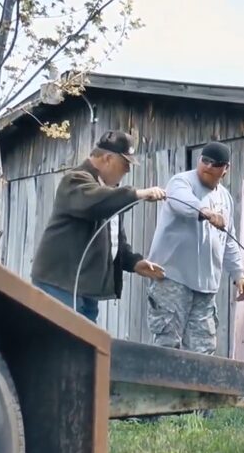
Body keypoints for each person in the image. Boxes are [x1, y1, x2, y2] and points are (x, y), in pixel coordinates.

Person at [31, 130, 167, 321]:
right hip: (60, 283)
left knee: (86, 347)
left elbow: (114, 241)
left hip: (85, 288)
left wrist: (134, 262)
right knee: (63, 343)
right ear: (108, 158)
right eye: (125, 164)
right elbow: (93, 205)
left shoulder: (110, 194)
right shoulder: (75, 180)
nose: (128, 170)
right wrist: (138, 194)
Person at [145, 141, 244, 355]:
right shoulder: (181, 182)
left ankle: (197, 389)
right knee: (167, 343)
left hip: (206, 287)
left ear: (226, 169)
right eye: (205, 160)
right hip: (172, 278)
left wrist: (238, 274)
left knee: (203, 349)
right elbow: (182, 203)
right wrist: (205, 211)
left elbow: (229, 240)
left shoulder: (225, 198)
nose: (209, 167)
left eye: (216, 164)